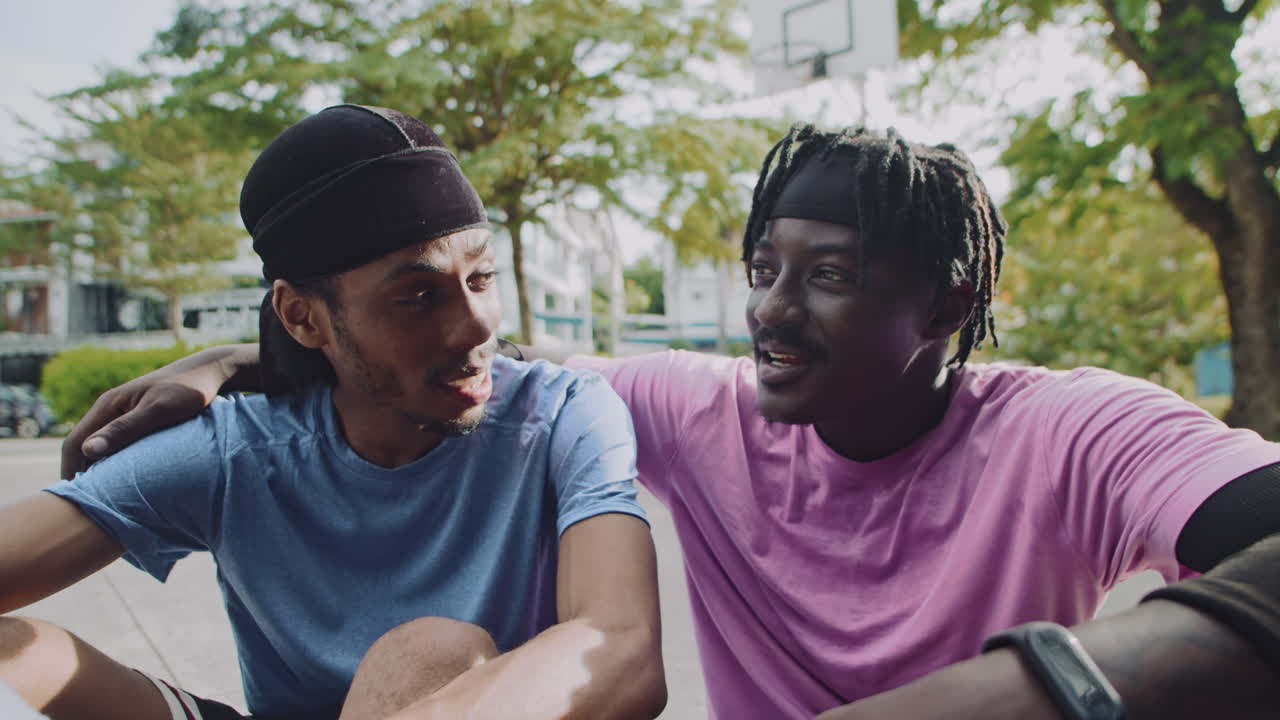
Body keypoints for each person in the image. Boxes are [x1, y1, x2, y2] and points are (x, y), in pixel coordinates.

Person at [61, 125, 1280, 718]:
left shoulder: (1077, 435)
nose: (772, 312)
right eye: (761, 267)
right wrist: (247, 357)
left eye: (830, 276)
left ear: (947, 301)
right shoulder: (698, 411)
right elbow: (469, 365)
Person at [1, 104, 666, 720]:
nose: (474, 327)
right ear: (301, 317)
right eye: (416, 297)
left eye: (482, 279)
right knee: (15, 651)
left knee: (431, 652)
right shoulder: (238, 450)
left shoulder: (563, 416)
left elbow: (621, 647)